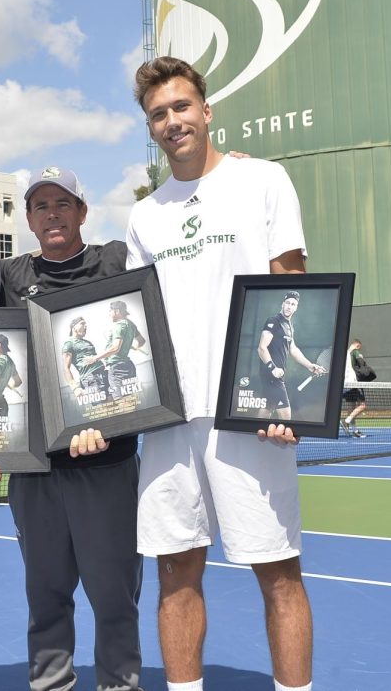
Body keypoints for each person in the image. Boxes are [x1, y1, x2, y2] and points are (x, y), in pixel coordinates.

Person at [125, 56, 313, 691]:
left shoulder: (263, 181)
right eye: (158, 114)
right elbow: (137, 319)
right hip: (171, 419)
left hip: (250, 414)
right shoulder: (145, 215)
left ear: (206, 112)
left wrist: (292, 406)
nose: (172, 121)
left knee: (277, 570)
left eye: (181, 107)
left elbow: (293, 285)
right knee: (175, 573)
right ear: (149, 127)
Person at [0, 166, 144, 691]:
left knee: (115, 597)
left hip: (108, 466)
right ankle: (51, 684)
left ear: (83, 212)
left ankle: (120, 684)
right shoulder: (8, 276)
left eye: (63, 203)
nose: (52, 214)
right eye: (41, 206)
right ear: (28, 219)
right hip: (37, 471)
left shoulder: (117, 260)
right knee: (45, 597)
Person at [256, 292, 326, 421]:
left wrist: (310, 366)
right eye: (287, 303)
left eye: (293, 304)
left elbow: (293, 349)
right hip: (271, 374)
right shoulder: (273, 321)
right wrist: (273, 368)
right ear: (283, 304)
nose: (289, 306)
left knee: (267, 409)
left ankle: (252, 432)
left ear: (296, 307)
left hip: (277, 374)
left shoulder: (289, 326)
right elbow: (261, 348)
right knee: (286, 414)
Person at [90, 300, 146, 401]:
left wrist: (95, 358)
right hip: (129, 367)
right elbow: (141, 341)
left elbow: (115, 348)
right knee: (131, 400)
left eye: (110, 311)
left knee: (122, 402)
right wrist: (129, 345)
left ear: (117, 311)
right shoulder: (131, 324)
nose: (109, 314)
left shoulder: (119, 325)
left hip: (117, 368)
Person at [61, 316, 111, 406]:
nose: (85, 326)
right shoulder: (69, 344)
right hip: (90, 377)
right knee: (102, 408)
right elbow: (66, 368)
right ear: (73, 327)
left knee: (114, 404)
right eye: (82, 324)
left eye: (86, 324)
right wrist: (75, 388)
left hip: (103, 374)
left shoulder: (88, 342)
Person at [341, 338, 369, 438]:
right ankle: (346, 421)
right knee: (363, 405)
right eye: (359, 347)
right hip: (353, 383)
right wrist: (362, 358)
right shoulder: (355, 352)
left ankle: (354, 430)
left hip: (345, 385)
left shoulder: (345, 354)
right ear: (357, 345)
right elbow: (362, 364)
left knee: (351, 408)